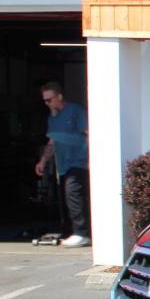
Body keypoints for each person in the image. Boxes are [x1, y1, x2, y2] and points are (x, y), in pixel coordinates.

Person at [36, 81, 90, 247]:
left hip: (79, 161)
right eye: (44, 101)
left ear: (59, 97)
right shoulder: (52, 118)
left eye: (49, 100)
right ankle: (74, 231)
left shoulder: (75, 111)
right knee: (68, 197)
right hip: (63, 164)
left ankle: (82, 233)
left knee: (73, 194)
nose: (47, 103)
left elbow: (88, 133)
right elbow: (52, 141)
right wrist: (43, 161)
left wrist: (90, 158)